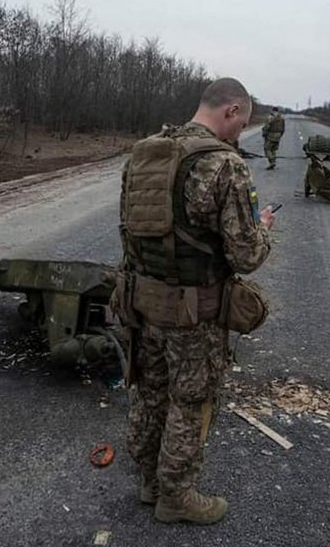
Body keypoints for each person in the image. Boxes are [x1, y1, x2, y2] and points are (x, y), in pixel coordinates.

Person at [112, 77, 275, 525]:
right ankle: (176, 497)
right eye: (242, 121)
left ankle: (149, 481)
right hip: (193, 313)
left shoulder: (144, 152)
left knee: (149, 390)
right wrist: (262, 230)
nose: (241, 131)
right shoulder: (225, 165)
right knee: (191, 400)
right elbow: (246, 255)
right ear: (231, 111)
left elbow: (128, 230)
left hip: (142, 301)